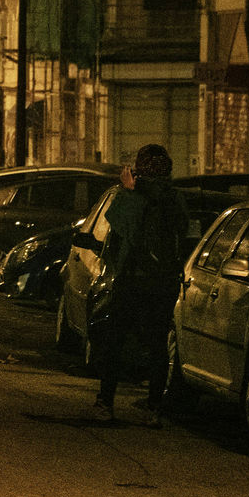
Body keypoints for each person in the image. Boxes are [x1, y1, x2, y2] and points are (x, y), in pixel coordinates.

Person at [90, 143, 189, 425]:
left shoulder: (136, 195)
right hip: (163, 282)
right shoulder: (175, 198)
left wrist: (128, 192)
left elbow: (123, 228)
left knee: (115, 340)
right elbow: (183, 230)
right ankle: (153, 408)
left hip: (133, 279)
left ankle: (105, 403)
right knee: (157, 345)